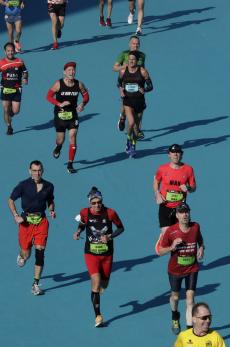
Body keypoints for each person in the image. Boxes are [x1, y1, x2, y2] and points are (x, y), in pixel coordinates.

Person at [73, 187, 125, 327]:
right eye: (94, 203)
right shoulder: (84, 212)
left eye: (99, 202)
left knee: (105, 284)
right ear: (90, 203)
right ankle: (98, 316)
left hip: (107, 254)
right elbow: (83, 223)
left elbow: (121, 228)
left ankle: (99, 289)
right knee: (95, 282)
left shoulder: (110, 213)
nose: (96, 205)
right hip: (91, 253)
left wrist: (109, 236)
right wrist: (78, 231)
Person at [8, 161, 55, 296]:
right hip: (26, 223)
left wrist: (51, 210)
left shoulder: (49, 186)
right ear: (29, 171)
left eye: (39, 170)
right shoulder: (23, 185)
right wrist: (16, 215)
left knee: (40, 253)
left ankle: (35, 284)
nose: (37, 173)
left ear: (43, 170)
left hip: (41, 222)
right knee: (26, 254)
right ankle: (22, 255)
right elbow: (10, 200)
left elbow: (50, 201)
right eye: (34, 170)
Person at [157, 203, 204, 334]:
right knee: (176, 298)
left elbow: (200, 240)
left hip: (192, 268)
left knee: (190, 299)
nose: (185, 214)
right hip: (175, 270)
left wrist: (201, 248)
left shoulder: (195, 227)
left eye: (187, 212)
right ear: (177, 215)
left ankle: (190, 331)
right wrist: (172, 247)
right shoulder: (171, 231)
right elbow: (160, 251)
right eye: (182, 212)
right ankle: (174, 315)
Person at [46, 61, 89, 173]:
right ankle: (58, 147)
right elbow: (48, 96)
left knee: (73, 136)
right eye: (69, 70)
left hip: (72, 115)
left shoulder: (79, 84)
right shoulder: (58, 84)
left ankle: (70, 164)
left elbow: (86, 96)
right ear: (64, 72)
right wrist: (59, 104)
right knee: (61, 140)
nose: (71, 72)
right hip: (60, 114)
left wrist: (82, 104)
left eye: (73, 70)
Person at [153, 144, 196, 244]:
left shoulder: (188, 169)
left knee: (181, 238)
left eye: (178, 152)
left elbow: (194, 188)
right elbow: (156, 181)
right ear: (169, 155)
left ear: (181, 154)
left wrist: (188, 188)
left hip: (181, 209)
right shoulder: (162, 169)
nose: (175, 155)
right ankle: (164, 237)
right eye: (173, 152)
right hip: (165, 207)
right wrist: (157, 193)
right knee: (168, 238)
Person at [117, 51, 152, 155]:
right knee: (131, 122)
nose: (131, 61)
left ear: (137, 61)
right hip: (127, 101)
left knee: (136, 129)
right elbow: (118, 83)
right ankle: (128, 140)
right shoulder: (123, 71)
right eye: (130, 59)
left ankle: (133, 142)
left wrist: (144, 89)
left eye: (133, 59)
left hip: (139, 102)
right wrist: (121, 90)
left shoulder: (143, 72)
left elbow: (151, 86)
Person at [0, 42, 28, 136]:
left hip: (16, 90)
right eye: (8, 51)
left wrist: (25, 78)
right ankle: (9, 126)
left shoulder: (20, 61)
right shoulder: (1, 63)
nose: (10, 52)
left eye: (12, 51)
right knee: (6, 109)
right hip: (5, 89)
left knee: (16, 111)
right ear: (5, 52)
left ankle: (10, 114)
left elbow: (25, 71)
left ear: (14, 51)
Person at [113, 36, 146, 132]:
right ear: (129, 44)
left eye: (137, 44)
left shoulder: (142, 55)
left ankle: (137, 129)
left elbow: (142, 68)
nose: (135, 45)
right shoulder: (124, 54)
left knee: (140, 106)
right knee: (125, 104)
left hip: (138, 83)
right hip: (125, 83)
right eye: (133, 43)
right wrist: (124, 66)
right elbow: (114, 68)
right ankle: (122, 118)